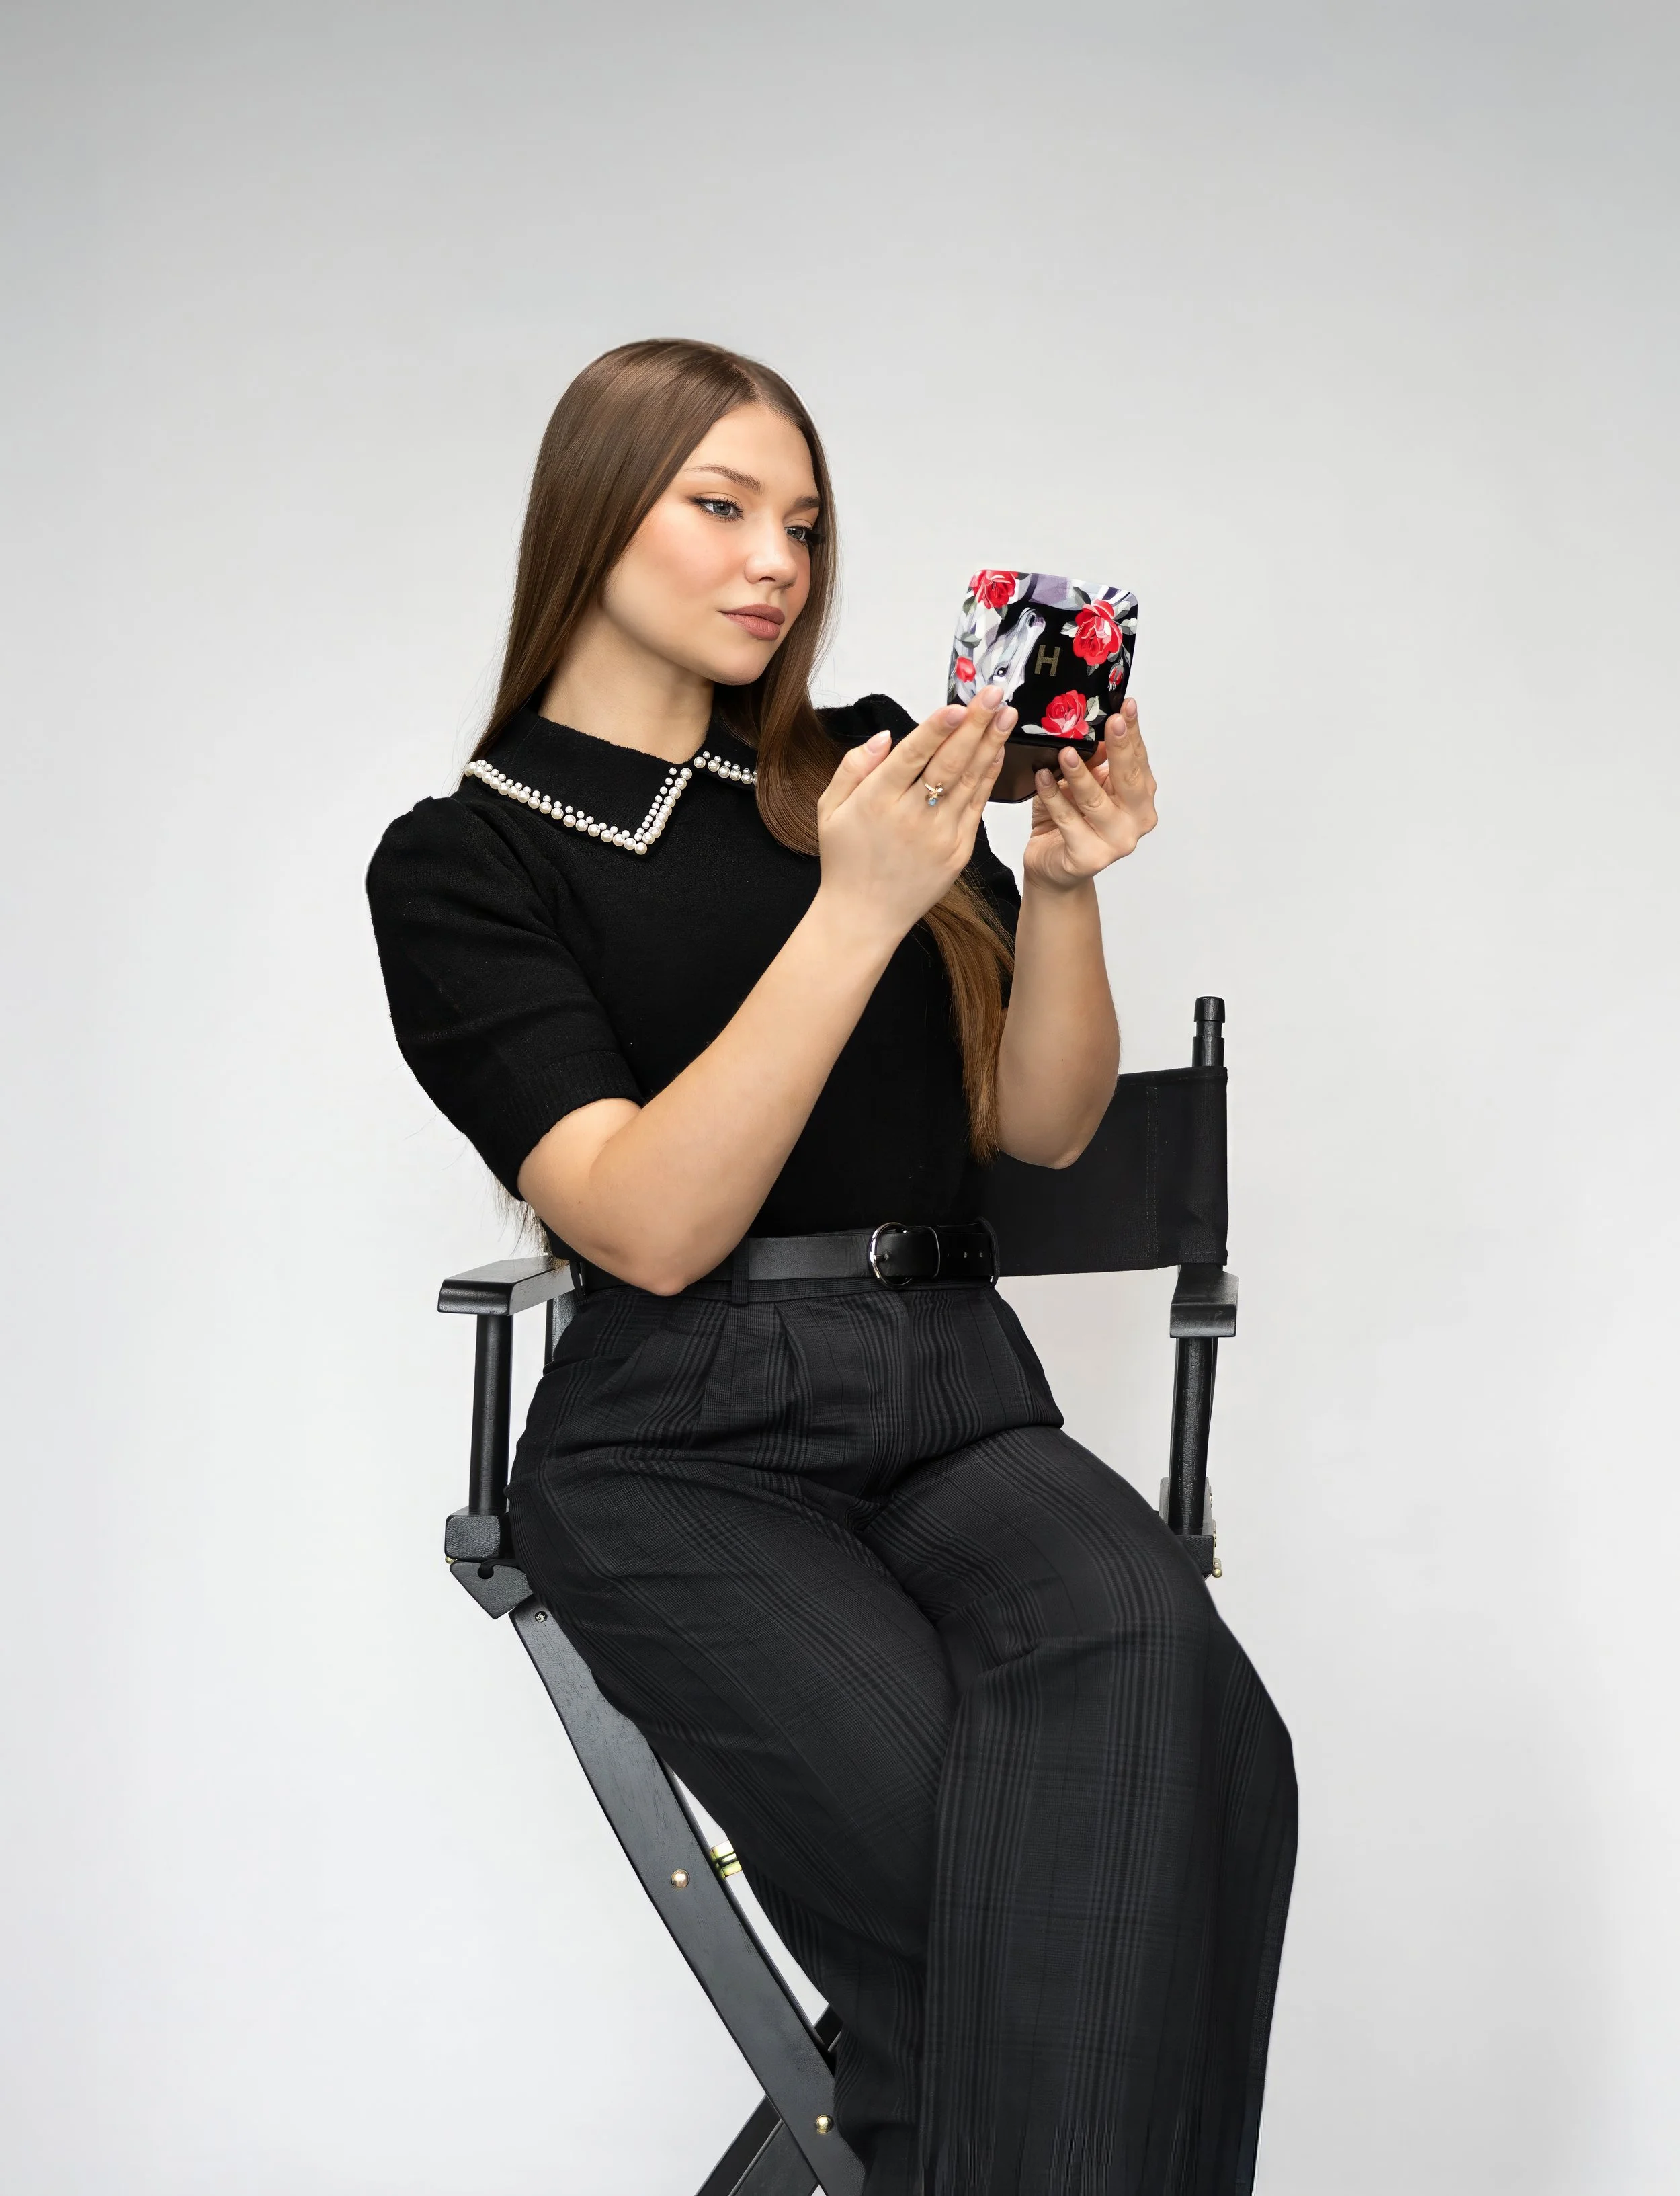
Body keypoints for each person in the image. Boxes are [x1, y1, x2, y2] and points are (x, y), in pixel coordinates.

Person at [366, 338, 1296, 2196]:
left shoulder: (857, 769)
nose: (774, 559)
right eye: (717, 506)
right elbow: (645, 1222)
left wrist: (1066, 884)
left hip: (959, 1403)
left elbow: (1037, 1128)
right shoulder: (463, 867)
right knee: (1006, 1929)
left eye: (800, 520)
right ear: (589, 517)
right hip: (681, 1449)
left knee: (1209, 1778)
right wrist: (856, 907)